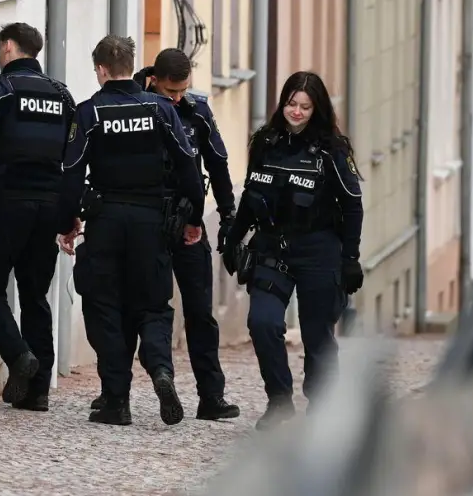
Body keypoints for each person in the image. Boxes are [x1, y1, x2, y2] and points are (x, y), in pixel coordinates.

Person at [78, 48, 239, 421]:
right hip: (147, 219)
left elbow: (217, 163)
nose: (177, 98)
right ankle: (114, 393)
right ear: (153, 80)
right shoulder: (138, 103)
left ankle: (210, 396)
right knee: (133, 306)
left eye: (183, 91)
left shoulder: (197, 110)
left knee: (199, 311)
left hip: (184, 223)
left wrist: (226, 215)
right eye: (171, 91)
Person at [58, 35, 205, 426]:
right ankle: (160, 370)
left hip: (106, 219)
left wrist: (68, 221)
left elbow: (71, 172)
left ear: (102, 69)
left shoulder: (90, 112)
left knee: (103, 304)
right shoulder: (159, 109)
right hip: (150, 221)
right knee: (153, 304)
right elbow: (188, 165)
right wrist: (195, 219)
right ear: (131, 65)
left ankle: (116, 400)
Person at [225, 70, 364, 429]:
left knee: (317, 336)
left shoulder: (332, 151)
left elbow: (352, 206)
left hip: (319, 251)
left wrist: (350, 258)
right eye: (291, 103)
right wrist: (233, 237)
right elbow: (251, 195)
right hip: (272, 247)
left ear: (316, 109)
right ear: (283, 103)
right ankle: (279, 400)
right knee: (262, 322)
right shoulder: (265, 142)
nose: (297, 112)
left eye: (305, 106)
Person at [0, 22, 75, 411]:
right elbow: (75, 157)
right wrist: (70, 213)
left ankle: (19, 356)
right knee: (36, 295)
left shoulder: (1, 87)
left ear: (7, 47)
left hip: (8, 204)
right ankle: (37, 393)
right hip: (50, 208)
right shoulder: (62, 95)